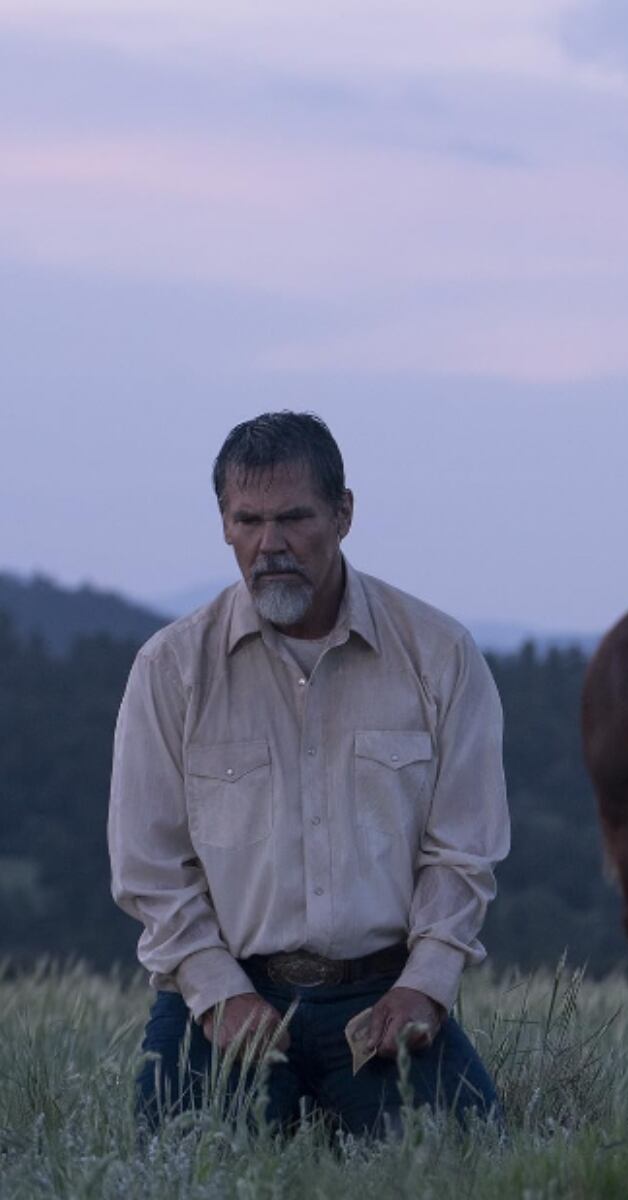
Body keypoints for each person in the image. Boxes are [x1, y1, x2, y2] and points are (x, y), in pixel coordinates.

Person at [108, 411, 511, 1135]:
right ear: (225, 525)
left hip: (382, 994)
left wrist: (425, 985)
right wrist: (217, 991)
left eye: (294, 518)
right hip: (227, 994)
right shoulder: (171, 669)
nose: (271, 544)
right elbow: (150, 867)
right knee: (180, 1164)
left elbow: (463, 851)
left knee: (470, 1158)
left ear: (344, 514)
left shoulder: (439, 655)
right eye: (249, 521)